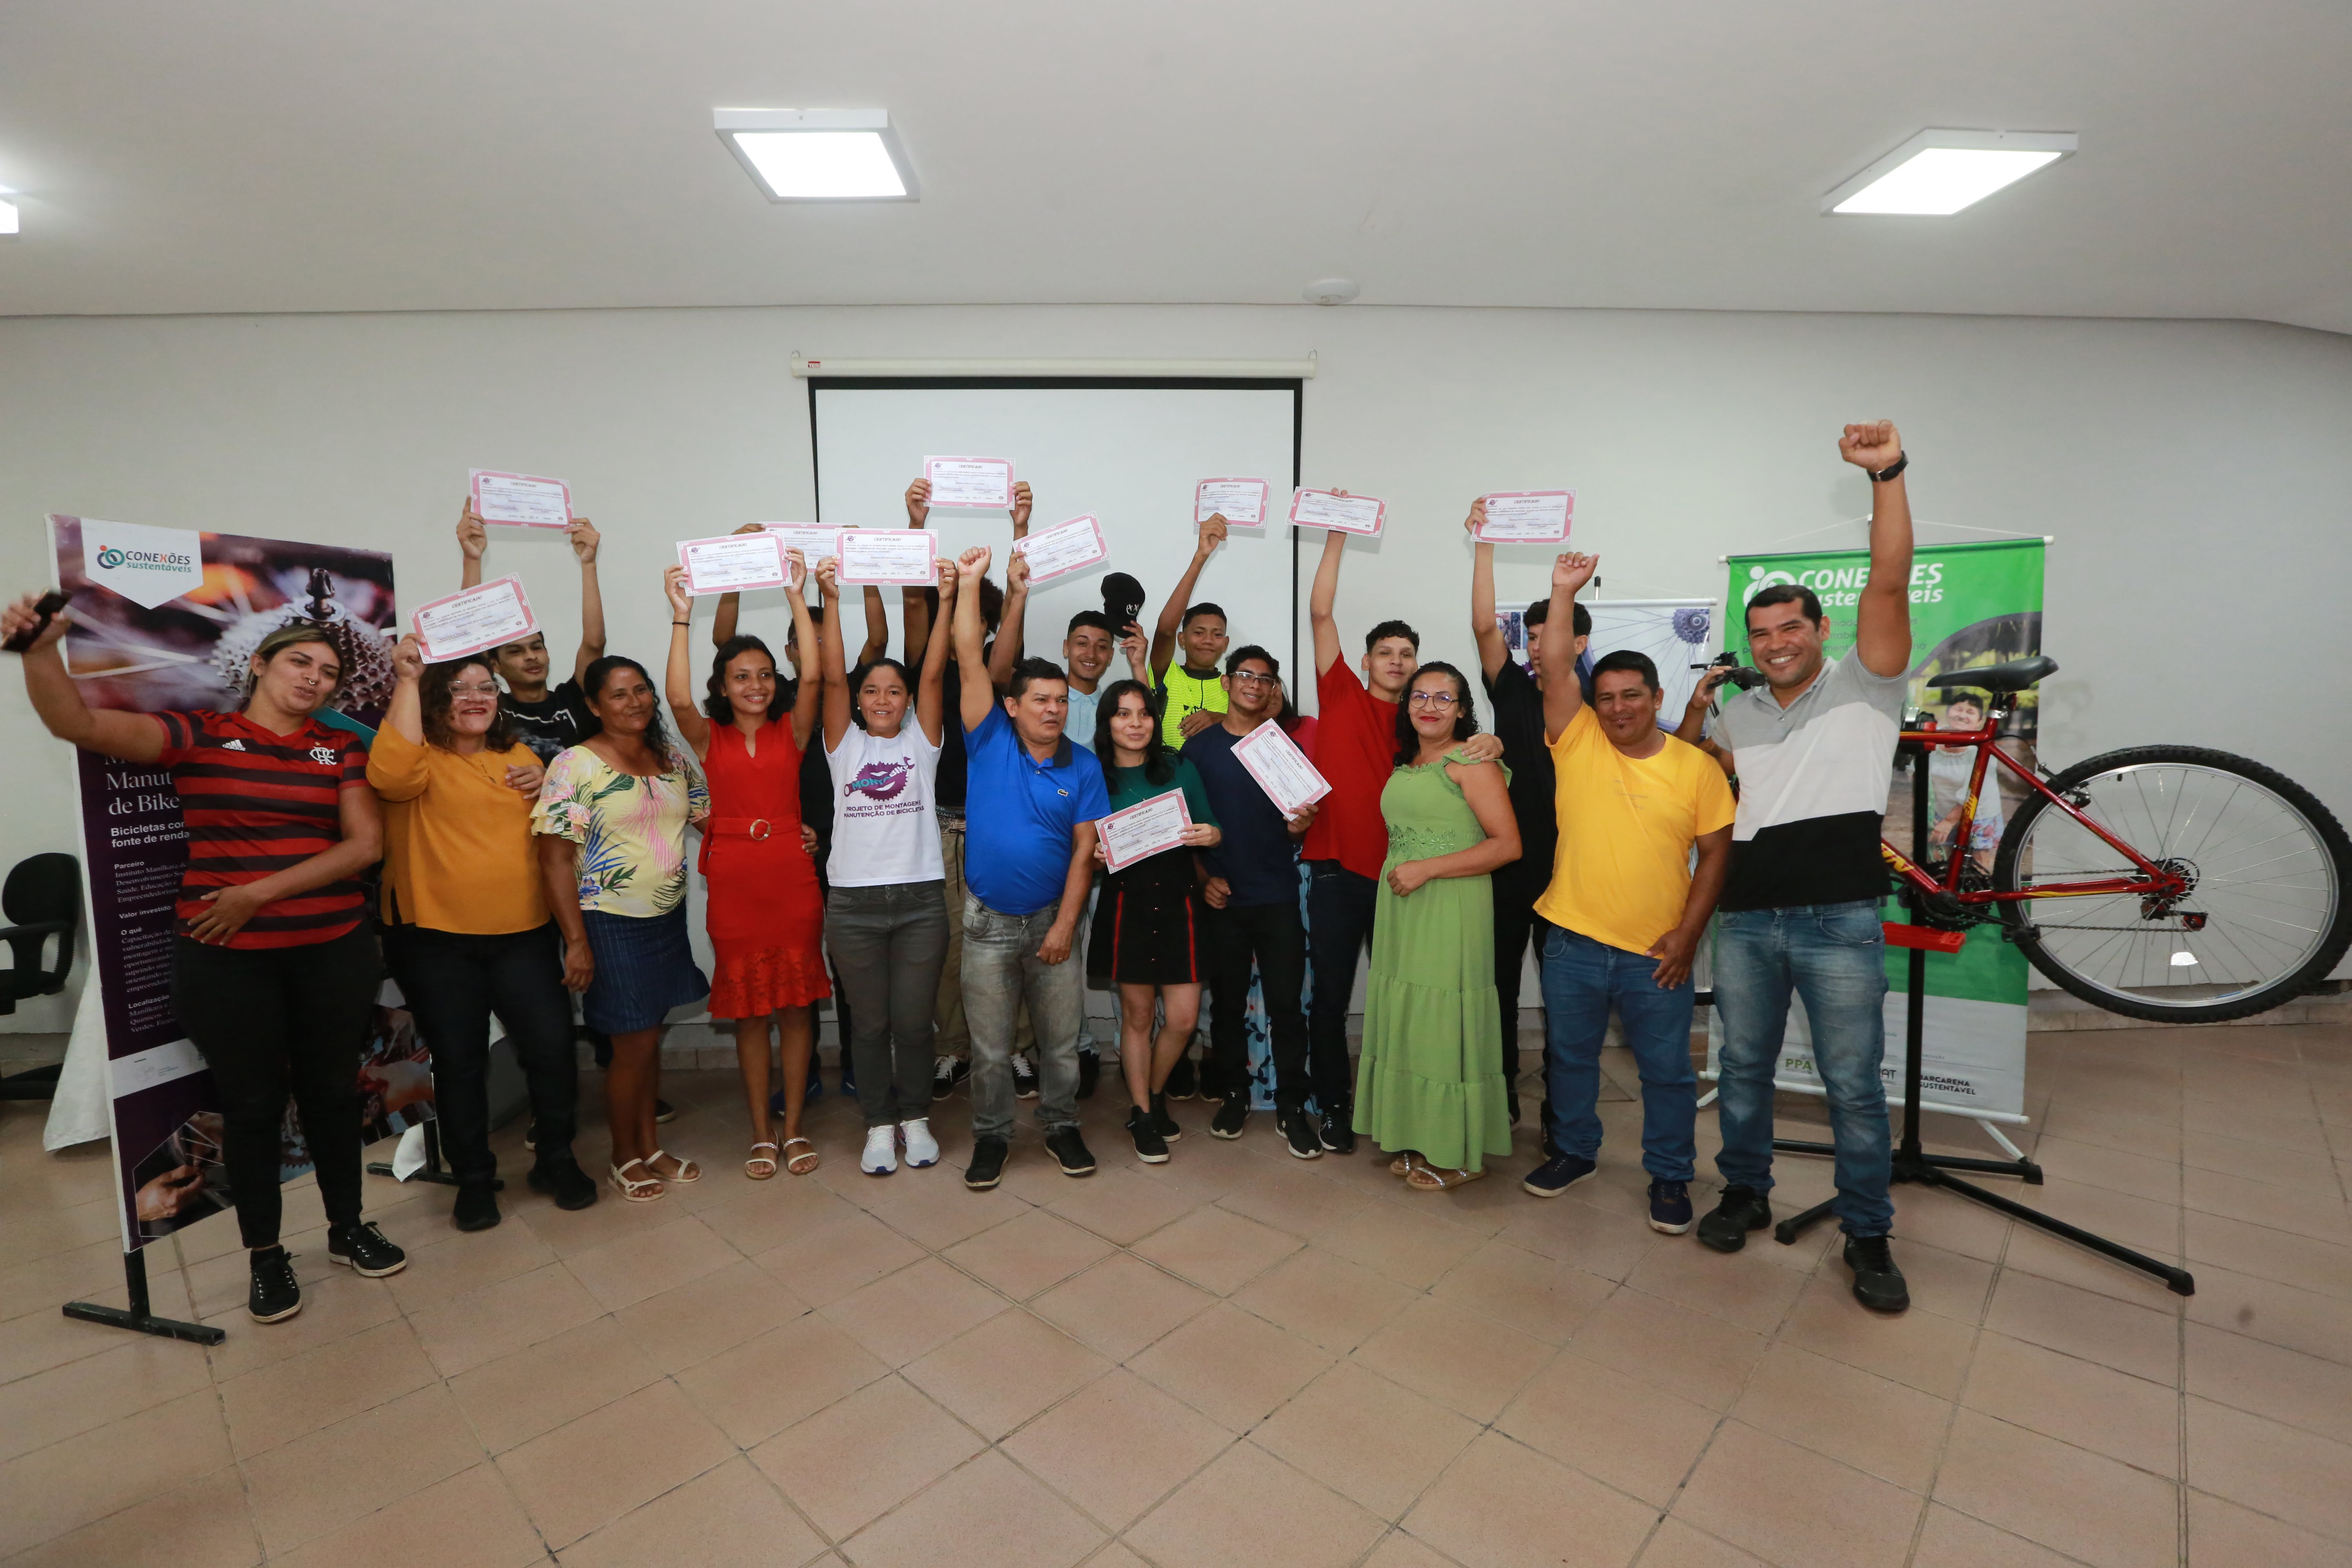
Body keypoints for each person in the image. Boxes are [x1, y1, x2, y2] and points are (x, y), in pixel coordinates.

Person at [2, 598, 405, 1323]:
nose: (314, 679)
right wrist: (39, 652)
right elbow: (77, 724)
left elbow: (364, 847)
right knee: (250, 1107)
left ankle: (347, 1228)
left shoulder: (340, 747)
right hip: (228, 962)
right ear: (258, 663)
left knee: (333, 1097)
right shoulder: (200, 735)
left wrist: (257, 892)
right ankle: (267, 1256)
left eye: (329, 672)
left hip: (331, 952)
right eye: (299, 663)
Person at [1698, 420, 1918, 1314]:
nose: (1777, 641)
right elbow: (1695, 796)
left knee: (1854, 1090)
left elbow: (1891, 578)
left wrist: (1887, 476)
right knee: (1743, 1068)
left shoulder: (1868, 681)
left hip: (1838, 922)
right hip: (1746, 921)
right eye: (1762, 630)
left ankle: (1868, 1235)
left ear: (1821, 629)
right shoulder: (1737, 714)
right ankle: (1745, 1191)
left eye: (1791, 627)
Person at [1520, 551, 1737, 1233]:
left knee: (1669, 1075)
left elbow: (1716, 858)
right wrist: (1562, 591)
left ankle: (1670, 1178)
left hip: (1657, 952)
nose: (1617, 707)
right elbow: (1556, 665)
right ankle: (1576, 1153)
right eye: (1607, 696)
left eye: (1631, 696)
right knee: (1570, 1060)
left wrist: (1688, 937)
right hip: (1572, 942)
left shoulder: (1694, 768)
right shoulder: (1576, 739)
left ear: (1657, 699)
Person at [370, 636, 598, 1229]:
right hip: (435, 940)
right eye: (458, 689)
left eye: (484, 687)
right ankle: (474, 1179)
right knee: (460, 1061)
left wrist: (546, 776)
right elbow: (390, 777)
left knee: (551, 1050)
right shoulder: (415, 756)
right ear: (432, 700)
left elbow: (561, 830)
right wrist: (403, 681)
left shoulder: (520, 754)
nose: (475, 697)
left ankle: (555, 1157)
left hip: (523, 935)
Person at [1303, 518, 1504, 1152]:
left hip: (1406, 887)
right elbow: (1320, 610)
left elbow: (1474, 781)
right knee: (1330, 1003)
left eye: (1407, 655)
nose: (1397, 662)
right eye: (1386, 653)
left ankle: (1407, 1110)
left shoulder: (1429, 724)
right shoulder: (1339, 695)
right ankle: (1335, 1106)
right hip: (1338, 878)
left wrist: (1491, 739)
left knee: (1403, 1009)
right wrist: (1337, 535)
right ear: (1365, 662)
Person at [949, 544, 1109, 1190]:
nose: (1052, 708)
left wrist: (1066, 926)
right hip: (987, 926)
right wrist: (970, 585)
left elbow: (1085, 853)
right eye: (1039, 699)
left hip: (1052, 925)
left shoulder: (1085, 765)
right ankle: (991, 1138)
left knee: (1061, 1045)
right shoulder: (987, 737)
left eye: (1060, 701)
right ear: (1012, 705)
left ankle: (1061, 1124)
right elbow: (969, 653)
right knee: (989, 1051)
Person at [664, 560, 829, 1180]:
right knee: (751, 1014)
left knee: (794, 1009)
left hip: (792, 877)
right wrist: (682, 612)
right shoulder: (708, 738)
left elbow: (813, 673)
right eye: (741, 677)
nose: (755, 685)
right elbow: (676, 695)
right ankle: (761, 1133)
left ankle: (794, 1130)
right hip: (734, 880)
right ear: (725, 685)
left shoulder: (795, 730)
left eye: (763, 675)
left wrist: (795, 595)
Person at [711, 533, 888, 1103]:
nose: (814, 646)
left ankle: (861, 1063)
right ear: (788, 651)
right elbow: (723, 644)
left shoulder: (847, 689)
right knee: (797, 970)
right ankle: (803, 1065)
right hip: (789, 850)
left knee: (849, 961)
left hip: (847, 842)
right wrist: (737, 568)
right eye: (804, 640)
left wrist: (866, 562)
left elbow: (874, 641)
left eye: (822, 638)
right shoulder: (770, 697)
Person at [533, 655, 710, 1203]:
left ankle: (651, 1147)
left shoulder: (671, 758)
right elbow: (555, 860)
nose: (634, 702)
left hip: (665, 917)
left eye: (641, 691)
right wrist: (577, 942)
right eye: (618, 694)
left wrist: (782, 832)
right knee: (630, 1046)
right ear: (593, 705)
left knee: (649, 1036)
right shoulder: (575, 766)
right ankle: (623, 1156)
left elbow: (710, 820)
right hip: (609, 923)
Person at [813, 555, 956, 1176]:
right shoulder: (844, 744)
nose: (882, 699)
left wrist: (947, 600)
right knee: (868, 1026)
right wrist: (829, 597)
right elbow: (833, 683)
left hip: (922, 901)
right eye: (872, 690)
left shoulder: (922, 744)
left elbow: (933, 675)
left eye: (893, 690)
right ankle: (878, 1124)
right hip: (853, 905)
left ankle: (916, 1117)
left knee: (914, 1024)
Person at [1352, 663, 1521, 1189]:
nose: (1430, 706)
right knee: (1412, 1021)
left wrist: (1427, 869)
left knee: (1444, 1023)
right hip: (1404, 909)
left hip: (1450, 905)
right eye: (1419, 696)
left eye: (1444, 698)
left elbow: (1507, 846)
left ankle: (1461, 1153)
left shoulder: (1473, 763)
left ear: (1463, 709)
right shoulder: (1407, 765)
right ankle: (1420, 1134)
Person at [900, 477, 1028, 1097]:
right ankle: (954, 1049)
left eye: (983, 619)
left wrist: (1021, 531)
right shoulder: (925, 670)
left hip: (1000, 830)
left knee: (1014, 941)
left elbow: (1001, 651)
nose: (969, 628)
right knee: (952, 947)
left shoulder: (999, 677)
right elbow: (918, 605)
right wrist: (915, 526)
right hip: (943, 828)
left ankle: (1021, 1049)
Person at [1466, 500, 1591, 1125]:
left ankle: (1563, 1116)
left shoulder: (1599, 705)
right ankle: (1502, 1096)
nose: (1540, 646)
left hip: (1573, 872)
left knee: (1567, 1000)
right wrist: (1484, 541)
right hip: (1511, 866)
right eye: (1534, 636)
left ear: (1579, 640)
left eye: (1553, 635)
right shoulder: (1511, 687)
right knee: (1499, 991)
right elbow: (1486, 628)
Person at [1184, 646, 1320, 1152]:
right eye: (1246, 675)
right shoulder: (1199, 750)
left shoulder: (1282, 749)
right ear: (1226, 683)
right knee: (1225, 1007)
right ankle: (1234, 1094)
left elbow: (1292, 828)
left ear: (1272, 690)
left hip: (1277, 895)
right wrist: (1203, 878)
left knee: (1287, 1007)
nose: (1255, 685)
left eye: (1265, 679)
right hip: (1222, 898)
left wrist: (1299, 825)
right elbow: (1183, 826)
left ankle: (1291, 1106)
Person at [1088, 681, 1221, 1161]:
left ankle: (1155, 1092)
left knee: (1183, 1019)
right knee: (1139, 1016)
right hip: (1127, 901)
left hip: (1181, 897)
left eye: (1144, 714)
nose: (1136, 724)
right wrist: (1095, 856)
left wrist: (1210, 834)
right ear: (1108, 724)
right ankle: (1143, 1113)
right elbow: (1078, 844)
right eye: (1123, 715)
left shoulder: (1180, 766)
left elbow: (1212, 824)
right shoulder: (1093, 775)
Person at [457, 501, 607, 764]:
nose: (531, 657)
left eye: (537, 647)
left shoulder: (571, 698)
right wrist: (473, 559)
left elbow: (594, 644)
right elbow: (470, 644)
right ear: (495, 665)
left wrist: (589, 564)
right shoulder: (494, 708)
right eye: (515, 651)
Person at [1148, 515, 1233, 748]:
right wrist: (1200, 557)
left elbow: (1256, 727)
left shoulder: (1235, 686)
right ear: (1182, 639)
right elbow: (1165, 629)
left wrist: (1222, 719)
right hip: (1172, 781)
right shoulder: (1168, 675)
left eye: (1217, 635)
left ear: (1226, 644)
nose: (1208, 641)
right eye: (1199, 633)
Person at [1926, 692, 2003, 872]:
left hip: (1979, 814)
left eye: (1970, 712)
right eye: (1958, 709)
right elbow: (1918, 773)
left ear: (1980, 721)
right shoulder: (1934, 739)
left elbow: (1974, 791)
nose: (1962, 715)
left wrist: (1950, 821)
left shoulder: (1981, 747)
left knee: (1979, 866)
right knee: (1939, 863)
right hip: (1942, 811)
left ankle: (1978, 899)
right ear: (1948, 712)